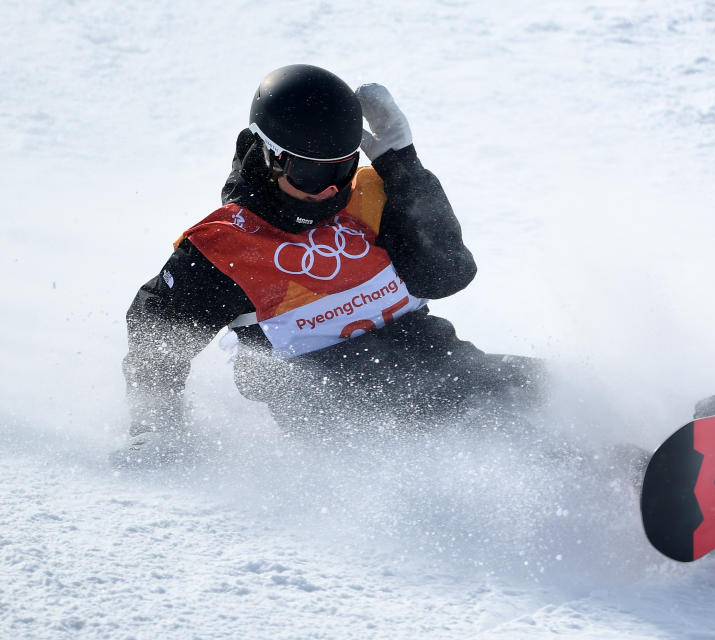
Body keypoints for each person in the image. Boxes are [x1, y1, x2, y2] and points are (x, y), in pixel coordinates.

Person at [119, 64, 544, 465]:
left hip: (448, 370)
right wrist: (156, 428)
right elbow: (156, 341)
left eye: (341, 168)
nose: (328, 190)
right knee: (525, 442)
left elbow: (447, 274)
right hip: (357, 420)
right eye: (308, 173)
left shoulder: (371, 196)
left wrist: (404, 167)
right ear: (268, 155)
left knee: (567, 394)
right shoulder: (225, 246)